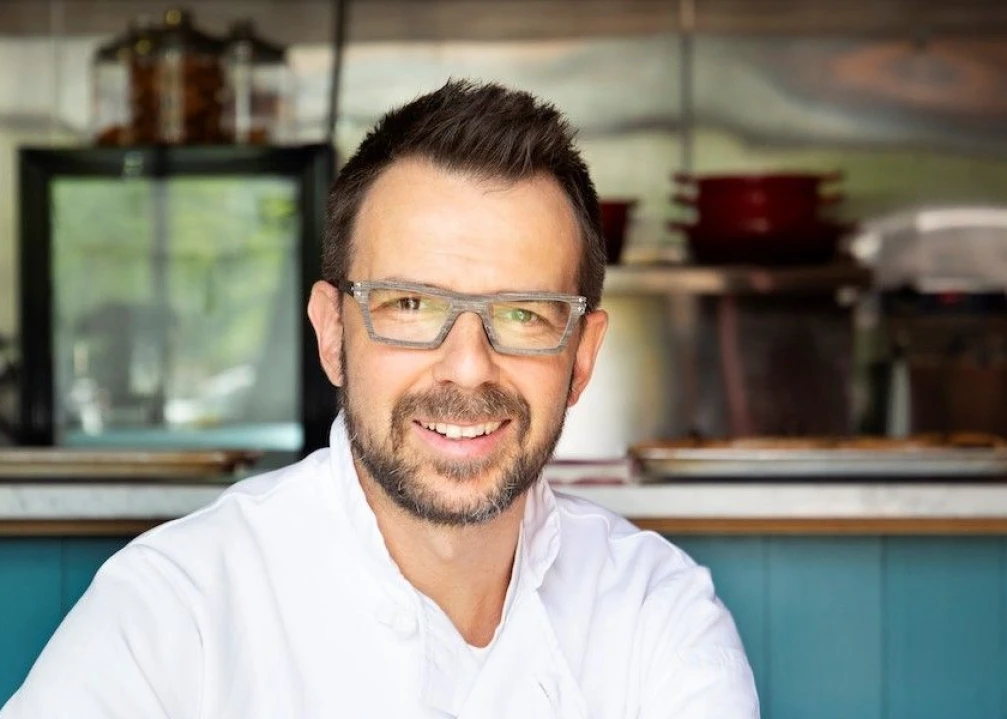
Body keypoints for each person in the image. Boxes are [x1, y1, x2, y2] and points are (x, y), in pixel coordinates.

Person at [1, 80, 758, 718]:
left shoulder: (657, 615)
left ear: (582, 357)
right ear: (333, 333)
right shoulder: (175, 608)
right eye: (410, 306)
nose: (468, 368)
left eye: (524, 314)